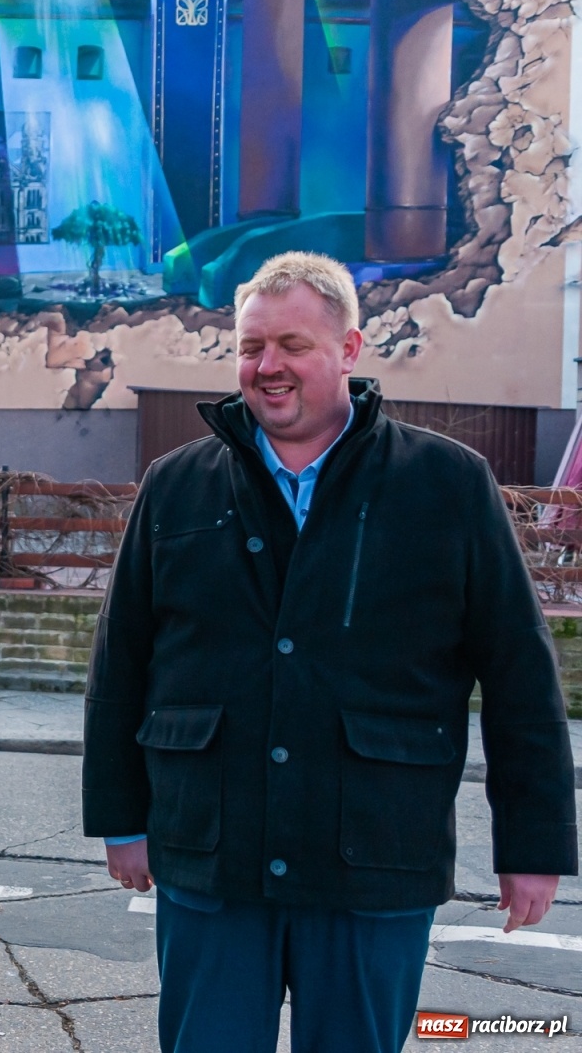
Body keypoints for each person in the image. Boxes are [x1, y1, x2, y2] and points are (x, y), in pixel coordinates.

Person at [82, 252, 578, 1053]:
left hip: (374, 861)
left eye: (292, 345)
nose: (267, 366)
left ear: (348, 350)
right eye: (250, 348)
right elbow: (122, 665)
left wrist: (534, 845)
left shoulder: (447, 485)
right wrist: (118, 818)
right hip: (212, 858)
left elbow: (520, 673)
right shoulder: (176, 485)